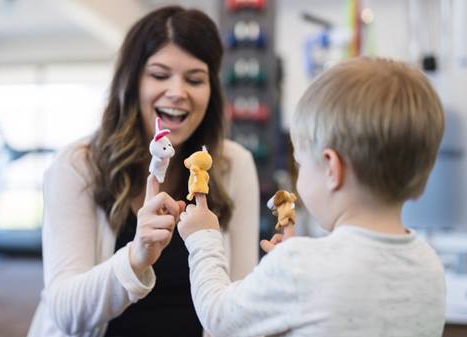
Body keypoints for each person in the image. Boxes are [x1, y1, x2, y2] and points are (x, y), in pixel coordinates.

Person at [27, 6, 260, 337]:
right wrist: (136, 257)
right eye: (160, 75)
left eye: (195, 79)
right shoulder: (77, 165)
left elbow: (239, 310)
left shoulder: (233, 165)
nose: (178, 92)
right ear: (131, 82)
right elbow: (65, 313)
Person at [177, 57, 446, 337]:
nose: (299, 174)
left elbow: (218, 318)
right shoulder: (429, 265)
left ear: (332, 168)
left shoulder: (299, 266)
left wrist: (204, 239)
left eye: (300, 163)